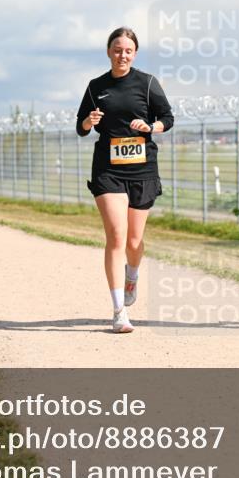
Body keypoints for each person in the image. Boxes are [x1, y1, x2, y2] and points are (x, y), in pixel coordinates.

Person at [76, 27, 174, 333]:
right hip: (108, 168)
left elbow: (168, 119)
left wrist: (150, 127)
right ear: (108, 52)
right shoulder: (96, 87)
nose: (122, 55)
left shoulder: (147, 84)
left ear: (134, 53)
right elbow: (81, 127)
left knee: (134, 241)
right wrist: (88, 122)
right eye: (117, 50)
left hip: (142, 168)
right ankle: (119, 311)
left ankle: (132, 273)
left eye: (128, 50)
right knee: (116, 236)